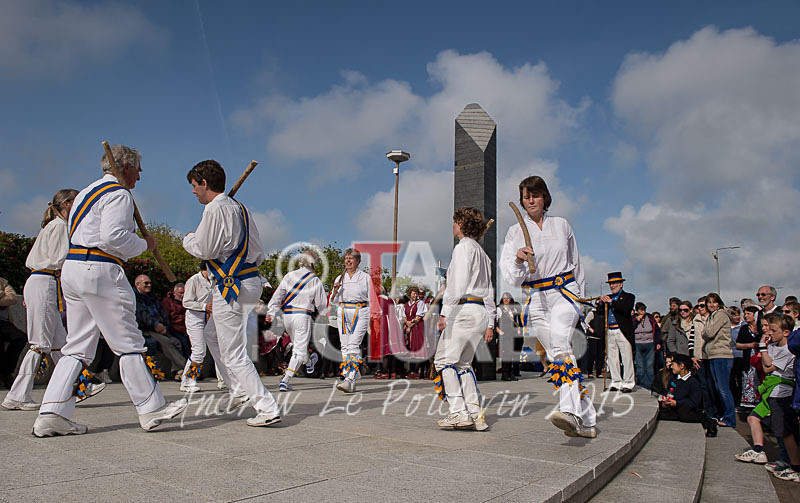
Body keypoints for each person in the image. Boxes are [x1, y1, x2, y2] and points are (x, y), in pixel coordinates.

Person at [33, 144, 187, 437]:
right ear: (126, 167)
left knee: (76, 347)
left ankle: (51, 412)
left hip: (73, 270)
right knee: (128, 341)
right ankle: (151, 408)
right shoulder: (119, 195)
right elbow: (113, 237)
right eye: (138, 170)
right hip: (101, 269)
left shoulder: (84, 195)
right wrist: (145, 245)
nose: (139, 177)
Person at [183, 159, 281, 427]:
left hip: (231, 286)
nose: (193, 192)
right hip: (250, 281)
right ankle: (238, 389)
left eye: (194, 186)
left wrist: (188, 238)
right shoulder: (241, 208)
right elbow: (259, 251)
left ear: (204, 183)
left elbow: (205, 250)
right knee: (210, 333)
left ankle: (266, 406)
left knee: (233, 352)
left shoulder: (214, 210)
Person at [500, 176, 597, 437]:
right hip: (535, 298)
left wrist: (583, 309)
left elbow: (578, 265)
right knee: (556, 355)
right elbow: (510, 276)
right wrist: (519, 260)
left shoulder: (562, 225)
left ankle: (570, 412)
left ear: (545, 198)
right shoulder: (514, 232)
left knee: (560, 342)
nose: (530, 200)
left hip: (564, 292)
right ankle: (587, 418)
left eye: (535, 195)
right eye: (526, 196)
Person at [4, 190, 79, 410]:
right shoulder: (59, 226)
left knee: (60, 344)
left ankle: (77, 386)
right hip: (45, 281)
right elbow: (60, 259)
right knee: (40, 344)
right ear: (66, 204)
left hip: (43, 282)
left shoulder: (53, 226)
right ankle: (18, 394)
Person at [435, 207, 495, 431]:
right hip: (479, 312)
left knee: (444, 361)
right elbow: (489, 291)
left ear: (461, 224)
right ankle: (476, 414)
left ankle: (458, 412)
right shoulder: (483, 254)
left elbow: (457, 286)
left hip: (463, 310)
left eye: (455, 222)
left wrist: (445, 313)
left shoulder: (462, 249)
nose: (453, 226)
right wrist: (491, 321)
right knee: (462, 363)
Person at [735, 313, 800, 482]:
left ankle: (795, 466)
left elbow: (769, 367)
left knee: (786, 433)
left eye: (773, 329)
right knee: (768, 425)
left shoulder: (788, 349)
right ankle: (766, 453)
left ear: (786, 332)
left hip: (782, 393)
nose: (769, 332)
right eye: (768, 328)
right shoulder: (774, 346)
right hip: (771, 392)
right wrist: (765, 350)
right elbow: (764, 365)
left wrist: (764, 351)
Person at [265, 251, 326, 392]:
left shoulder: (289, 276)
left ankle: (309, 361)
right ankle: (285, 380)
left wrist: (271, 312)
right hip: (302, 316)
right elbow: (321, 305)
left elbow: (276, 298)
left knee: (299, 348)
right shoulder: (314, 280)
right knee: (299, 350)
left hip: (288, 316)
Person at [180, 268, 236, 394]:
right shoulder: (194, 280)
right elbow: (186, 302)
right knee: (199, 350)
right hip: (196, 317)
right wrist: (204, 306)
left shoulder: (216, 280)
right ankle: (188, 381)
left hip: (212, 317)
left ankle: (224, 379)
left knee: (220, 347)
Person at [329, 248, 371, 393]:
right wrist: (335, 291)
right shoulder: (339, 278)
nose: (348, 261)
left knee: (354, 344)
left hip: (361, 311)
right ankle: (353, 376)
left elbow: (372, 298)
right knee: (345, 347)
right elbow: (332, 302)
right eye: (346, 258)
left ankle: (349, 378)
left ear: (358, 261)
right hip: (343, 311)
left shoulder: (365, 277)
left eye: (351, 258)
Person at [134, 274, 186, 379]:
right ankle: (185, 368)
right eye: (146, 283)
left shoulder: (152, 297)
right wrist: (155, 325)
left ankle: (177, 372)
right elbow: (142, 315)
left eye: (150, 283)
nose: (149, 285)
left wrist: (164, 326)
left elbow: (162, 313)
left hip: (160, 328)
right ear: (138, 285)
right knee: (166, 342)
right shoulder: (135, 298)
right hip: (146, 329)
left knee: (176, 342)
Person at [657, 353, 717, 437]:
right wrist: (666, 399)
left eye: (673, 364)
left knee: (685, 415)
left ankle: (709, 422)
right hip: (675, 408)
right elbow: (668, 390)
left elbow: (694, 402)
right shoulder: (674, 379)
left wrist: (677, 403)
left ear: (682, 366)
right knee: (660, 414)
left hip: (688, 409)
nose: (671, 367)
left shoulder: (693, 382)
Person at [596, 272, 636, 392]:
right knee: (612, 358)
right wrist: (601, 303)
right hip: (610, 330)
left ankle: (628, 383)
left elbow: (625, 308)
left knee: (626, 357)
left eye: (614, 283)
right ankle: (616, 382)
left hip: (622, 330)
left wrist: (611, 302)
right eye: (611, 284)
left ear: (621, 284)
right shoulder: (608, 297)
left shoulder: (629, 297)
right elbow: (600, 312)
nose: (612, 286)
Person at [701, 292, 736, 427]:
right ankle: (724, 414)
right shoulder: (712, 316)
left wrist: (705, 332)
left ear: (719, 303)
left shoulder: (720, 315)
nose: (711, 305)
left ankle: (730, 418)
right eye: (709, 302)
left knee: (723, 388)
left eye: (714, 302)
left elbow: (708, 333)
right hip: (713, 354)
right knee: (717, 387)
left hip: (721, 355)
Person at [0, 277, 27, 389]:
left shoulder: (2, 282)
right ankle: (5, 375)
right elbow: (6, 298)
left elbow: (13, 298)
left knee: (20, 338)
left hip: (5, 323)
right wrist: (2, 294)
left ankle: (7, 371)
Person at [736, 306, 761, 409]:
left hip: (760, 360)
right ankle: (749, 405)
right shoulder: (744, 329)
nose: (746, 316)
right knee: (748, 381)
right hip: (747, 360)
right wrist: (750, 345)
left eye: (748, 314)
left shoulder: (761, 328)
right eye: (745, 314)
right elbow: (738, 345)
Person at [632, 302, 661, 390]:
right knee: (640, 365)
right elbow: (630, 328)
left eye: (644, 310)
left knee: (649, 365)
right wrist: (637, 320)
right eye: (640, 310)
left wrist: (658, 342)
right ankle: (641, 384)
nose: (643, 312)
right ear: (637, 311)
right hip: (638, 344)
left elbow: (657, 330)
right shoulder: (633, 318)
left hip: (650, 344)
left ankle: (650, 385)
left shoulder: (650, 318)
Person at [402, 286, 428, 378]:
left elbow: (419, 317)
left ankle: (416, 371)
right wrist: (407, 323)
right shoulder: (406, 304)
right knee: (409, 349)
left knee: (416, 348)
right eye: (413, 293)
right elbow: (404, 316)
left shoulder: (420, 303)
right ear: (410, 294)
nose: (415, 295)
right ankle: (411, 370)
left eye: (416, 293)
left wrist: (410, 325)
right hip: (408, 327)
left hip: (417, 327)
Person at [496, 292, 522, 381]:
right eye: (504, 298)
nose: (506, 300)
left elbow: (516, 321)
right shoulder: (499, 309)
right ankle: (505, 374)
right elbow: (495, 323)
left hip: (512, 333)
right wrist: (499, 332)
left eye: (508, 298)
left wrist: (518, 329)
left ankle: (511, 373)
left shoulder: (513, 309)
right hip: (504, 333)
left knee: (511, 354)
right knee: (506, 354)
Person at [161, 283, 190, 358]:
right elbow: (165, 317)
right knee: (183, 343)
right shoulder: (167, 302)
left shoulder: (186, 303)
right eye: (180, 293)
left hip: (186, 328)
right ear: (174, 293)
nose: (183, 295)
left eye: (184, 293)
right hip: (174, 329)